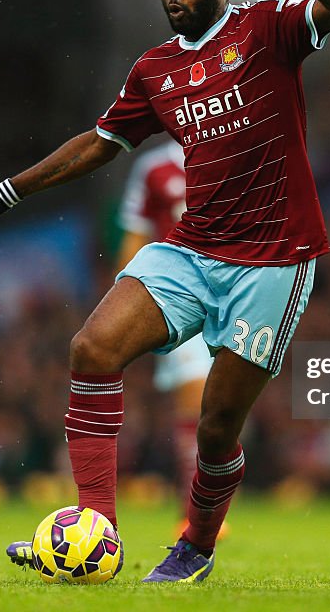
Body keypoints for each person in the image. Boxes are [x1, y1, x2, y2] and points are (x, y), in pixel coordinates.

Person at [0, 0, 330, 583]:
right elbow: (100, 143)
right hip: (193, 249)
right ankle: (96, 532)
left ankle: (195, 547)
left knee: (216, 428)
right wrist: (4, 195)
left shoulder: (265, 28)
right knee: (93, 348)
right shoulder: (155, 69)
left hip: (274, 261)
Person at [115, 140, 217, 536]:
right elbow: (134, 237)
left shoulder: (239, 155)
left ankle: (205, 501)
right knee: (197, 393)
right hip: (178, 297)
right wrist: (122, 306)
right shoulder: (154, 169)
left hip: (233, 295)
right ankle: (194, 509)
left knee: (223, 405)